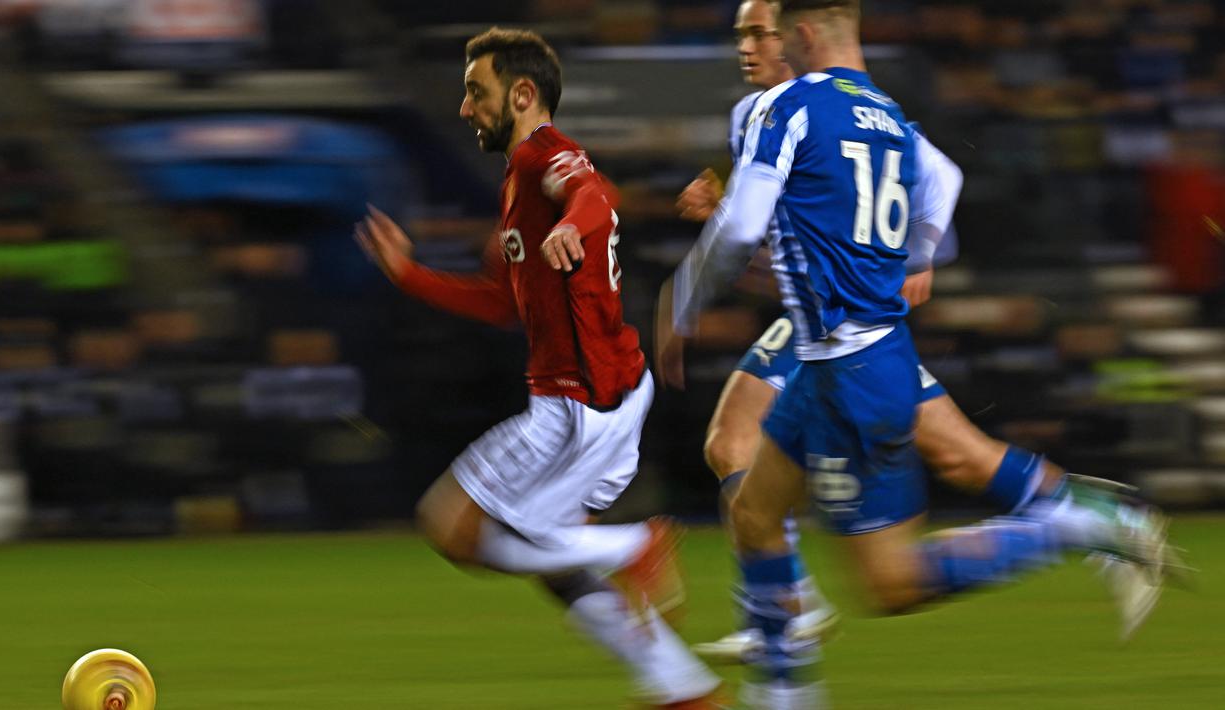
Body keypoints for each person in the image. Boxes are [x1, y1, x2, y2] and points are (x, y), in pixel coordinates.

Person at [655, 2, 1178, 706]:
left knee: (892, 580)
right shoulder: (886, 116)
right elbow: (930, 188)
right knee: (751, 507)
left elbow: (748, 228)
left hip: (850, 363)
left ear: (797, 34)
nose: (748, 45)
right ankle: (783, 694)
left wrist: (682, 297)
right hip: (838, 353)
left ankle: (1076, 526)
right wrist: (921, 253)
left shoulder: (785, 107)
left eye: (760, 31)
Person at [356, 28, 724, 709]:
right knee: (556, 562)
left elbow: (592, 197)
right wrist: (410, 275)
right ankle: (681, 688)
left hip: (577, 404)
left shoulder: (542, 155)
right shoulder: (519, 182)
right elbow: (502, 302)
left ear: (523, 94)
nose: (465, 108)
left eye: (477, 92)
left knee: (450, 526)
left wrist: (571, 225)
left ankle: (634, 546)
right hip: (609, 393)